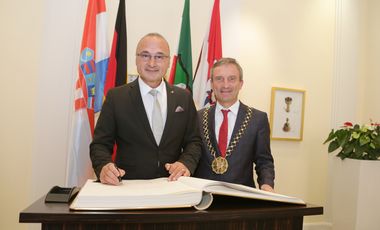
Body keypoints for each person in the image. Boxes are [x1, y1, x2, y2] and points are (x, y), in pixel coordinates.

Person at [90, 33, 202, 185]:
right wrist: (104, 166)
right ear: (136, 59)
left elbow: (194, 142)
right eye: (145, 55)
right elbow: (100, 145)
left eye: (159, 56)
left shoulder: (183, 98)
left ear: (169, 61)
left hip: (173, 186)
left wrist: (186, 163)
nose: (152, 63)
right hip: (129, 187)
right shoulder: (116, 97)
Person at [194, 57, 275, 192]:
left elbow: (264, 161)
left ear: (241, 83)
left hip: (242, 200)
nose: (225, 85)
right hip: (203, 198)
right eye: (219, 79)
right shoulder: (197, 117)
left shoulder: (258, 119)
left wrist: (267, 185)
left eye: (231, 79)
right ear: (212, 84)